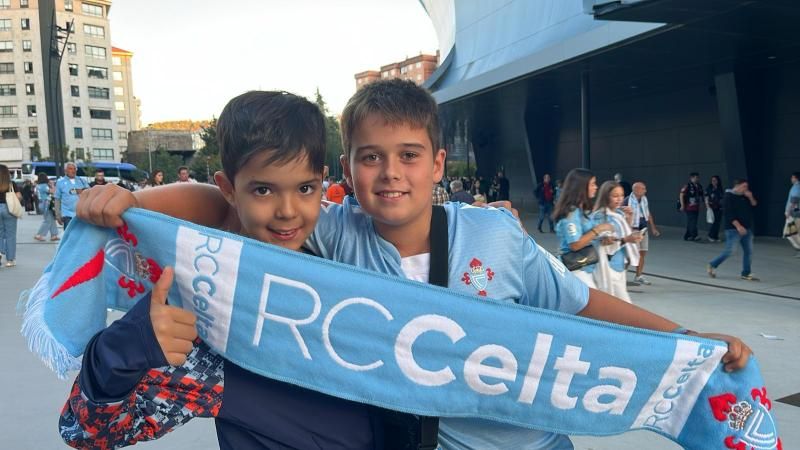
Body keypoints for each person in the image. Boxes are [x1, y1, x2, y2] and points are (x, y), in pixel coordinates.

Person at [76, 80, 752, 450]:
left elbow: (581, 308)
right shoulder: (331, 236)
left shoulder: (494, 236)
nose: (390, 173)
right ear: (347, 173)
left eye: (408, 156)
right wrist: (131, 203)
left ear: (437, 164)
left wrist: (684, 340)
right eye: (370, 157)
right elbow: (226, 204)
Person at [60, 91, 384, 449]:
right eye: (263, 190)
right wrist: (123, 350)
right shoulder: (211, 306)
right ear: (228, 189)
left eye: (305, 188)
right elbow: (87, 431)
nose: (288, 211)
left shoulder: (351, 260)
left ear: (322, 179)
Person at [553, 168, 614, 288]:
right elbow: (575, 244)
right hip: (575, 269)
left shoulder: (581, 210)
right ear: (580, 187)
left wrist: (600, 237)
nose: (596, 187)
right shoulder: (571, 213)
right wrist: (598, 229)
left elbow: (585, 236)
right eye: (592, 184)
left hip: (586, 266)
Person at [590, 181, 642, 302]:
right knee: (622, 307)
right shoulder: (600, 216)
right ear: (605, 196)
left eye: (621, 195)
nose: (619, 199)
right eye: (615, 196)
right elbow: (605, 244)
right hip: (608, 267)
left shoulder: (619, 213)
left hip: (619, 266)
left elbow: (624, 235)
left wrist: (629, 219)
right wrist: (627, 239)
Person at [708, 179, 759, 281]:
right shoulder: (728, 197)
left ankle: (746, 273)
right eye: (744, 186)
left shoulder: (745, 196)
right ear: (737, 186)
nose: (746, 189)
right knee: (730, 251)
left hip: (747, 229)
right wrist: (738, 226)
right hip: (733, 229)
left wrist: (750, 197)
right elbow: (728, 214)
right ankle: (712, 264)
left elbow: (754, 204)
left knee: (749, 251)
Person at [625, 182, 660, 285]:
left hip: (643, 229)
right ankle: (620, 274)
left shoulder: (644, 200)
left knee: (642, 253)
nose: (645, 191)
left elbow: (647, 214)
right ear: (636, 190)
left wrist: (653, 228)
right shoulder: (627, 201)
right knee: (631, 254)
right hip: (633, 230)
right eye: (643, 189)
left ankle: (638, 275)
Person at [54, 162, 89, 230]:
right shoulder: (60, 182)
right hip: (67, 214)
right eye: (70, 169)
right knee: (69, 235)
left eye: (74, 169)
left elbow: (89, 192)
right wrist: (58, 215)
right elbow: (57, 199)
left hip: (81, 214)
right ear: (65, 170)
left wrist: (81, 191)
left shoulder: (82, 181)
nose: (73, 171)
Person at [0, 164, 22, 267]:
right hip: (9, 209)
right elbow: (19, 197)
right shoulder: (11, 184)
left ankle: (0, 251)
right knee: (10, 235)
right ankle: (10, 260)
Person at [34, 173, 59, 242]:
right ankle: (39, 235)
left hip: (41, 203)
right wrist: (52, 185)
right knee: (47, 220)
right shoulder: (44, 186)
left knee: (51, 219)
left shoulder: (37, 186)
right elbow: (53, 192)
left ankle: (54, 235)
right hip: (46, 203)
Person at [679, 172, 704, 241]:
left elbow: (701, 196)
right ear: (691, 178)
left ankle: (687, 235)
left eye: (697, 178)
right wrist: (682, 205)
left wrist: (701, 204)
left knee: (692, 221)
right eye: (695, 178)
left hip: (696, 207)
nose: (697, 179)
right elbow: (681, 194)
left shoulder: (699, 186)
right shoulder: (687, 186)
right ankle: (695, 235)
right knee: (692, 221)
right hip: (689, 207)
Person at [785, 171, 800, 256]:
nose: (791, 179)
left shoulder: (796, 187)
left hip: (794, 214)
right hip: (797, 213)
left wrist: (788, 212)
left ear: (796, 178)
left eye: (792, 177)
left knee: (791, 233)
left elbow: (794, 201)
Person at [706, 175, 724, 242]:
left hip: (719, 207)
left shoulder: (720, 188)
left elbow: (721, 198)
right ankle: (710, 235)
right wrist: (707, 206)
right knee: (713, 222)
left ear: (718, 181)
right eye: (712, 180)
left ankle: (716, 236)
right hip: (712, 207)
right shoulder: (709, 189)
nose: (713, 182)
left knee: (718, 223)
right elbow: (706, 198)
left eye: (715, 180)